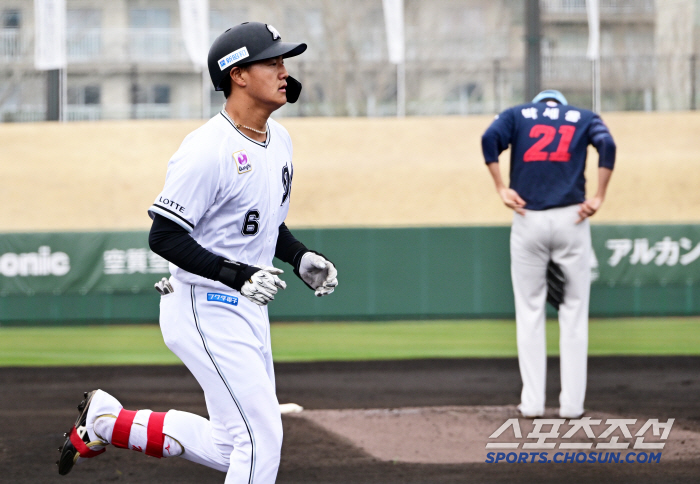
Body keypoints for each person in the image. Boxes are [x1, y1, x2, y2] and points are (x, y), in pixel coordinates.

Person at [57, 22, 338, 483]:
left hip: (245, 308)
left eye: (283, 61)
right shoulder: (207, 148)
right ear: (238, 75)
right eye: (273, 61)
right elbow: (164, 237)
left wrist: (299, 256)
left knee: (233, 446)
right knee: (261, 440)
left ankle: (106, 421)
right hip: (203, 303)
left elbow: (265, 223)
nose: (284, 71)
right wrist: (239, 275)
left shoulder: (280, 142)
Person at [481, 89, 616, 419]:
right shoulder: (584, 117)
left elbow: (488, 139)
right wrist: (599, 195)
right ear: (560, 104)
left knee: (529, 311)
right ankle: (572, 406)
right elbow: (607, 146)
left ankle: (532, 404)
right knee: (573, 312)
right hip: (572, 217)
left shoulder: (516, 114)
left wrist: (501, 187)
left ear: (539, 103)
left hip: (529, 217)